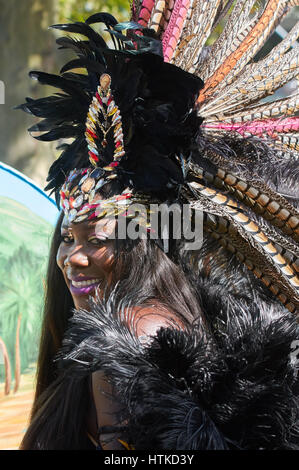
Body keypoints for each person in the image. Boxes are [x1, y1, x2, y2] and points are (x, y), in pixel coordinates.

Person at [18, 1, 298, 450]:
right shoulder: (171, 319)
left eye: (98, 239)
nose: (73, 256)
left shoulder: (127, 336)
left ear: (142, 242)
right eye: (69, 237)